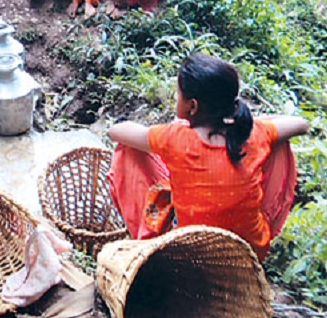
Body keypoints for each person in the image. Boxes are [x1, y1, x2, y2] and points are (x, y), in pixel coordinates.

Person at [107, 53, 309, 261]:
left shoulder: (175, 138)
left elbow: (116, 132)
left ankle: (146, 234)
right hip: (249, 252)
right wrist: (253, 123)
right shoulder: (255, 134)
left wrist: (177, 128)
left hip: (193, 254)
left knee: (127, 149)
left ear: (192, 106)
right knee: (278, 143)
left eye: (178, 94)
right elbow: (301, 124)